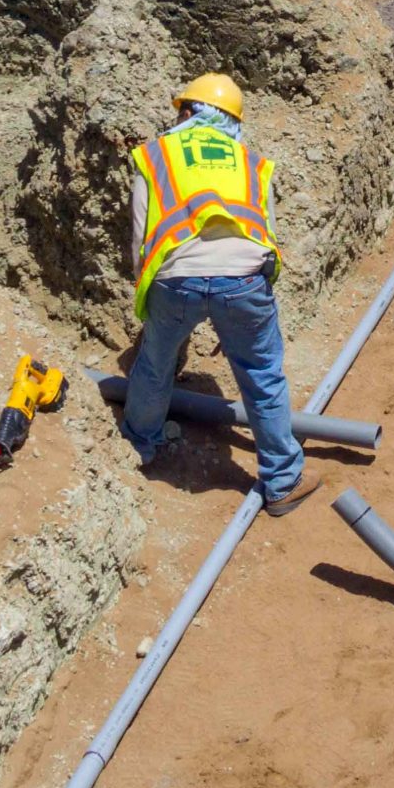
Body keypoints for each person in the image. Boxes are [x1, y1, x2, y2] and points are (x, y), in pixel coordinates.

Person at [122, 72, 321, 517]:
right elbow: (266, 232)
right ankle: (282, 482)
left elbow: (141, 235)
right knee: (262, 375)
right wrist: (246, 304)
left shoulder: (156, 155)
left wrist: (150, 295)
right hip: (244, 279)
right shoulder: (251, 163)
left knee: (154, 365)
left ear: (190, 112)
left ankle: (139, 445)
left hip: (177, 279)